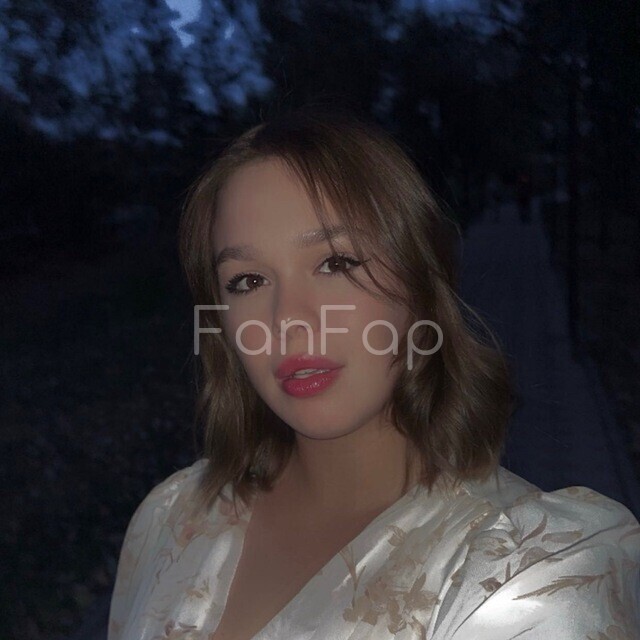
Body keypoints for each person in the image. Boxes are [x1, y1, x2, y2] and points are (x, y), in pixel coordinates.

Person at [107, 109, 640, 640]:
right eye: (247, 280)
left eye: (335, 263)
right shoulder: (169, 519)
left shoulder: (527, 579)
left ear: (420, 286)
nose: (287, 320)